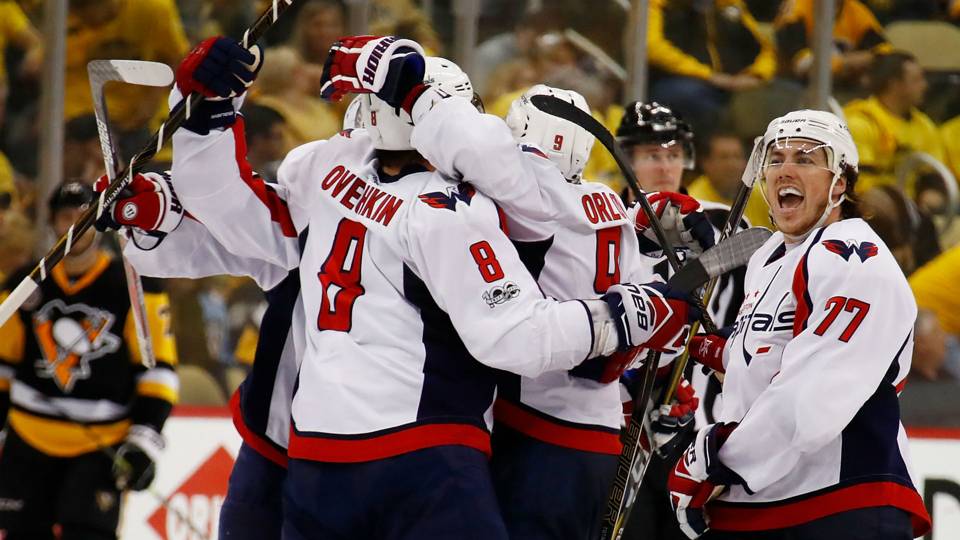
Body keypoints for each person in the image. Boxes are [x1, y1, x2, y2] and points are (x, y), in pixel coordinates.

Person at [166, 35, 696, 538]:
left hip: (316, 459)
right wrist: (625, 315)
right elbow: (516, 337)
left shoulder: (329, 168)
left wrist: (205, 115)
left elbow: (234, 212)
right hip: (422, 459)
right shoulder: (448, 212)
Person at [404, 81, 704, 539]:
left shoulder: (524, 204)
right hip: (602, 437)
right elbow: (642, 328)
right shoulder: (613, 207)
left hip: (534, 432)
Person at [670, 110, 932, 539]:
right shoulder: (769, 257)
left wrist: (716, 457)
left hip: (838, 504)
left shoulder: (854, 256)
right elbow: (772, 360)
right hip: (764, 502)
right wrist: (709, 347)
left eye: (806, 159)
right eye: (775, 158)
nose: (785, 169)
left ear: (840, 183)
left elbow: (807, 402)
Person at [0, 182, 179, 540]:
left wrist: (143, 441)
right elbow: (3, 364)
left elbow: (158, 371)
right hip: (27, 438)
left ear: (100, 223)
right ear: (52, 222)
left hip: (100, 444)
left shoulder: (134, 286)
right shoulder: (26, 284)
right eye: (66, 217)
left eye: (84, 216)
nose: (75, 226)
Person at [615, 101, 747, 540]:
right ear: (628, 159)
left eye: (673, 154)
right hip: (621, 425)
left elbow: (752, 314)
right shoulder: (600, 221)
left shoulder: (722, 224)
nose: (665, 165)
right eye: (653, 155)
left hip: (700, 425)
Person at [646, 0, 775, 137]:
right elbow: (652, 48)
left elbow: (766, 50)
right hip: (679, 80)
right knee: (691, 97)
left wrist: (756, 75)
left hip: (734, 82)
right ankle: (708, 153)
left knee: (781, 93)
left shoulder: (730, 6)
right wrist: (709, 76)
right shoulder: (660, 5)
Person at [844, 51, 946, 191]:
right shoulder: (861, 122)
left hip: (913, 208)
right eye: (917, 80)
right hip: (871, 207)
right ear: (895, 85)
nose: (925, 86)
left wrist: (931, 194)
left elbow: (933, 176)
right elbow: (858, 182)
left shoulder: (924, 125)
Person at [773, 0, 892, 86]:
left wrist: (871, 59)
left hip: (839, 86)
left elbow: (886, 53)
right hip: (792, 88)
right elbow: (803, 65)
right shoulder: (797, 7)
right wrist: (846, 62)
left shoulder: (854, 9)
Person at [687, 131, 774, 229]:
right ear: (705, 163)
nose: (732, 165)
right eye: (724, 157)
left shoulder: (764, 194)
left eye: (737, 156)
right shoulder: (693, 202)